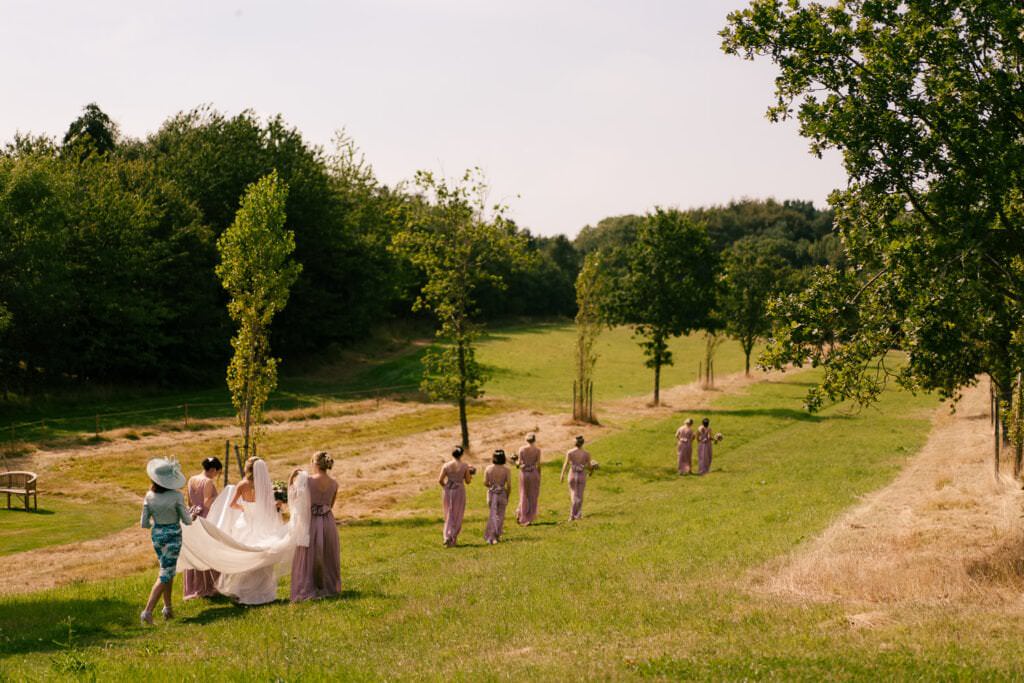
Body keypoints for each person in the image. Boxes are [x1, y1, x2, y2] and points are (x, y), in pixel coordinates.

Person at [178, 457, 297, 606]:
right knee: (261, 555)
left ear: (247, 469)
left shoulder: (242, 485)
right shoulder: (264, 486)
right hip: (260, 523)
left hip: (245, 523)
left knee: (243, 556)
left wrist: (245, 508)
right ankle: (263, 591)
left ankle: (242, 590)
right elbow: (268, 507)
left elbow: (232, 504)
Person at [140, 457, 192, 625]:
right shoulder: (176, 496)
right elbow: (187, 521)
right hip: (172, 537)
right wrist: (191, 514)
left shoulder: (149, 496)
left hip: (157, 536)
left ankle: (168, 609)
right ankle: (147, 612)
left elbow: (144, 523)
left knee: (167, 570)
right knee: (165, 574)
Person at [291, 451, 341, 601]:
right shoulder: (334, 483)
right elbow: (330, 505)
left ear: (315, 463)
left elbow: (296, 500)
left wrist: (291, 478)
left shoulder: (307, 481)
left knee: (308, 555)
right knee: (327, 554)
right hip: (328, 522)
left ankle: (308, 588)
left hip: (311, 521)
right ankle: (328, 587)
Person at [183, 457, 222, 600]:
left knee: (195, 553)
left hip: (192, 517)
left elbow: (189, 501)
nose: (216, 475)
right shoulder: (208, 482)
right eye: (217, 472)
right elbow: (207, 503)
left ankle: (193, 587)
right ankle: (207, 587)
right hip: (205, 518)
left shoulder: (192, 479)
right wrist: (221, 498)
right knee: (208, 553)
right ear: (213, 470)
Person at [438, 446, 474, 547]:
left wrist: (446, 487)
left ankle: (447, 536)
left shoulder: (446, 465)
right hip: (459, 491)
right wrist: (470, 474)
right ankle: (452, 537)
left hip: (448, 491)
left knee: (448, 513)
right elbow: (467, 481)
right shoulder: (465, 466)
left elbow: (440, 480)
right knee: (458, 514)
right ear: (461, 454)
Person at [560, 435, 596, 521]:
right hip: (581, 475)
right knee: (580, 495)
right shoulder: (586, 454)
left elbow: (566, 464)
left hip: (572, 474)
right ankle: (577, 515)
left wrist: (562, 475)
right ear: (583, 443)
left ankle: (572, 515)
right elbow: (589, 466)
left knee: (573, 494)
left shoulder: (570, 452)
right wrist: (593, 468)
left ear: (575, 443)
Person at [484, 449, 512, 544]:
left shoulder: (488, 469)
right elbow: (509, 485)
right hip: (502, 494)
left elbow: (485, 483)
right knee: (500, 516)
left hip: (492, 494)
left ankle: (492, 535)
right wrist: (507, 495)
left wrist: (492, 486)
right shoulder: (506, 470)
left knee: (493, 515)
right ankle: (496, 536)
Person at [515, 432, 542, 525]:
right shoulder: (538, 450)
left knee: (523, 494)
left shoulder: (521, 449)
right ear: (534, 440)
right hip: (533, 473)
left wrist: (515, 461)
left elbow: (519, 463)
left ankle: (520, 513)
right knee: (532, 495)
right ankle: (529, 518)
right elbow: (538, 464)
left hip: (524, 473)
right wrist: (539, 475)